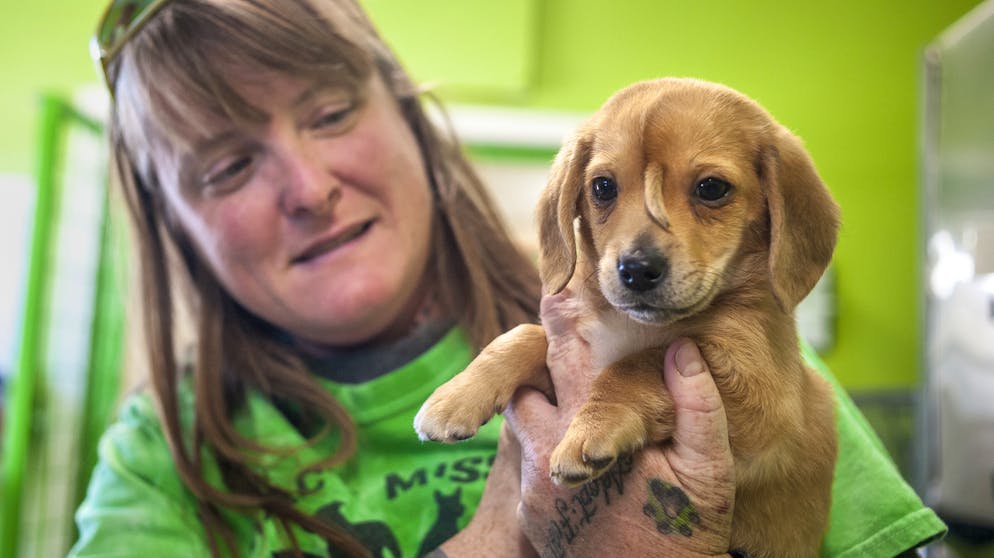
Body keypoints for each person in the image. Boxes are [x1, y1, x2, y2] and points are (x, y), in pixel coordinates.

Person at [72, 1, 944, 557]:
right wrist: (496, 542)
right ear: (169, 223)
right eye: (225, 167)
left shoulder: (724, 328)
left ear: (411, 116)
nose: (308, 190)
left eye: (331, 113)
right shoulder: (160, 456)